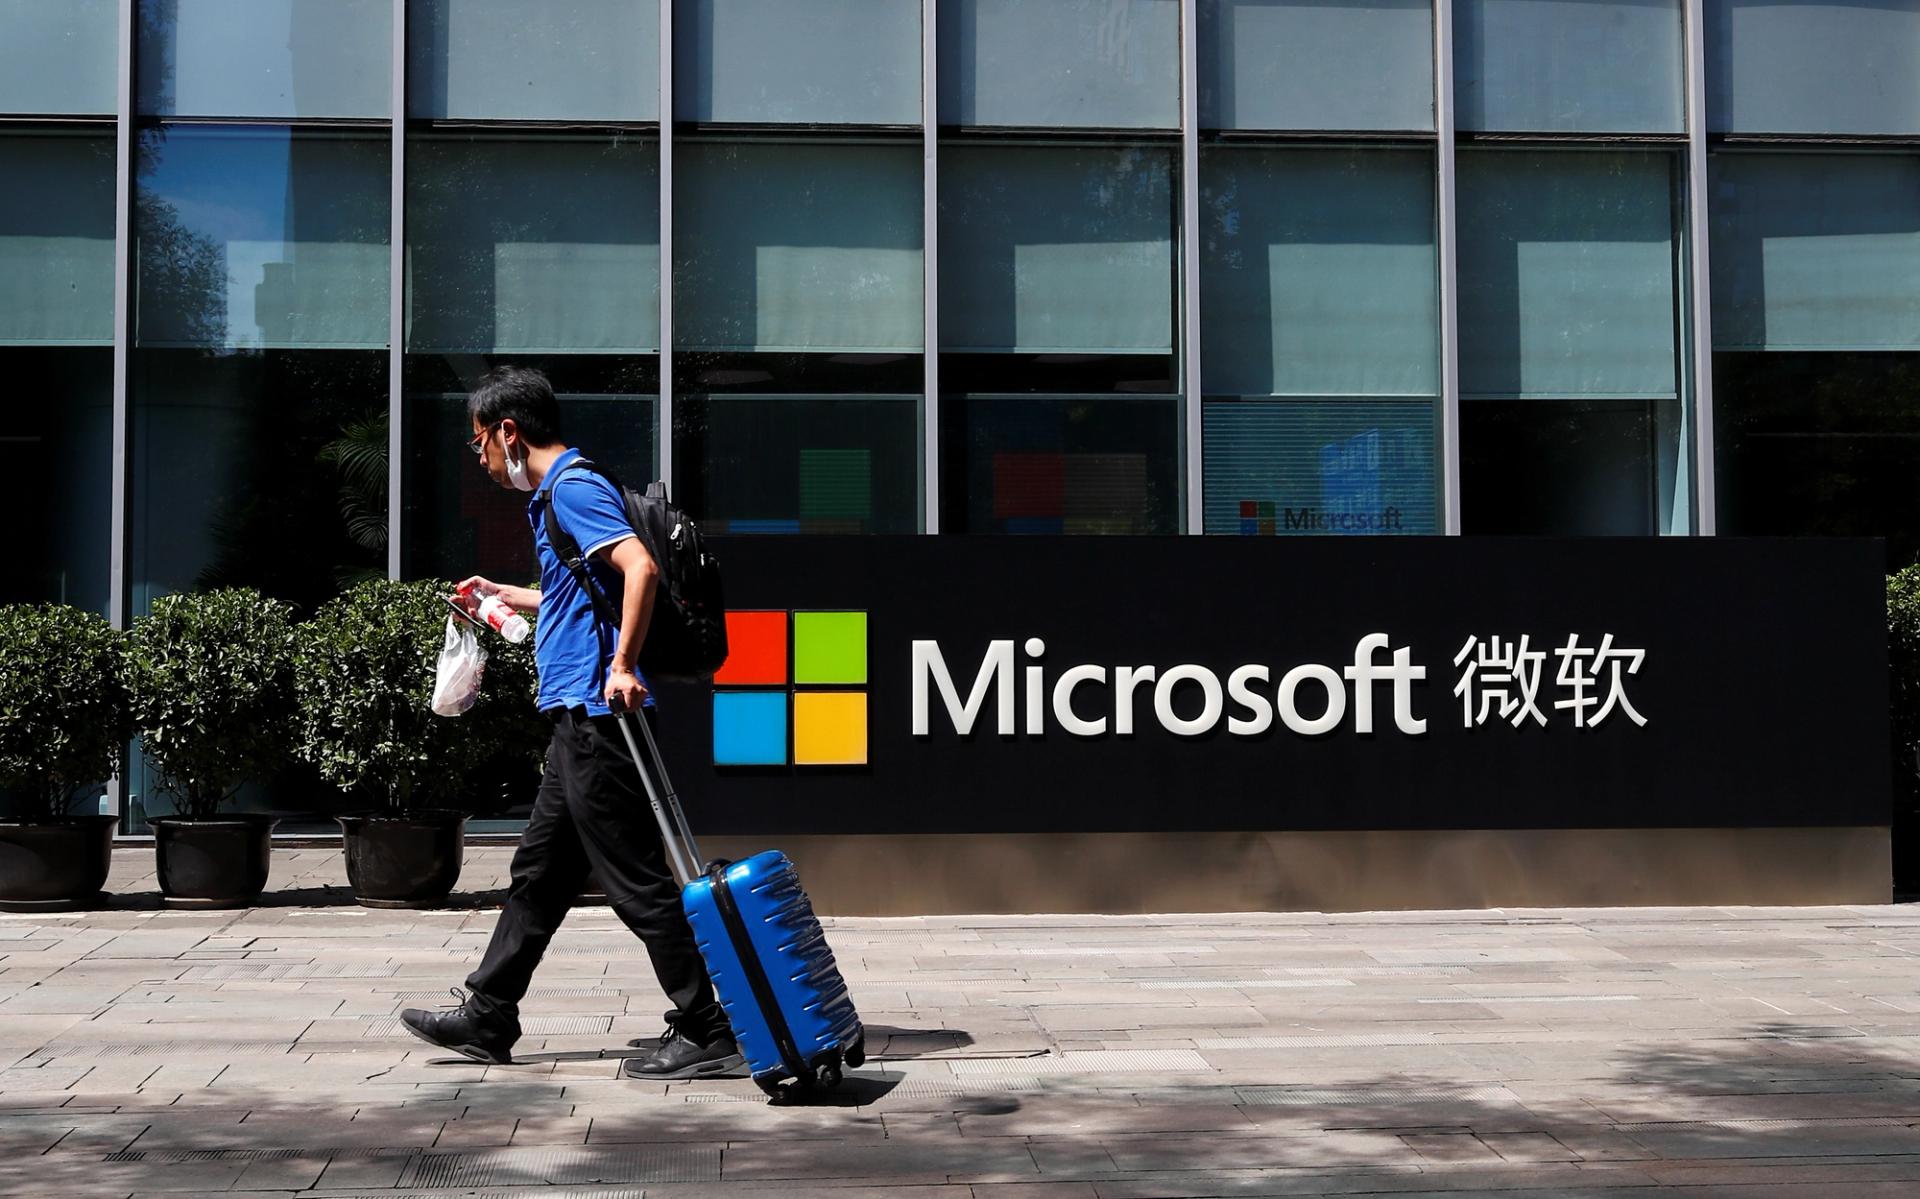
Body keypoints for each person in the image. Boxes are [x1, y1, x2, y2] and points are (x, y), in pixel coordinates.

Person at [399, 366, 740, 1081]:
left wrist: (622, 664)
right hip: (573, 717)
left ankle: (707, 1026)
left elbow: (639, 567)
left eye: (480, 444)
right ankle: (489, 1014)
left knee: (634, 880)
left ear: (509, 431)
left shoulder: (573, 488)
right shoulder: (560, 495)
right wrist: (502, 593)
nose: (483, 459)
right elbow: (571, 593)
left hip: (597, 714)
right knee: (538, 874)